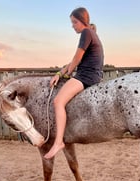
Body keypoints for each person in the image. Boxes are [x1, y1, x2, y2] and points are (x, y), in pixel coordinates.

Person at [44, 7, 104, 159]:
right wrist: (59, 73)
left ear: (83, 21)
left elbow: (76, 59)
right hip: (88, 74)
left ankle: (58, 142)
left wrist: (69, 73)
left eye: (74, 22)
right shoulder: (91, 34)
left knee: (58, 102)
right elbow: (73, 61)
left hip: (86, 76)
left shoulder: (86, 32)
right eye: (72, 23)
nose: (73, 26)